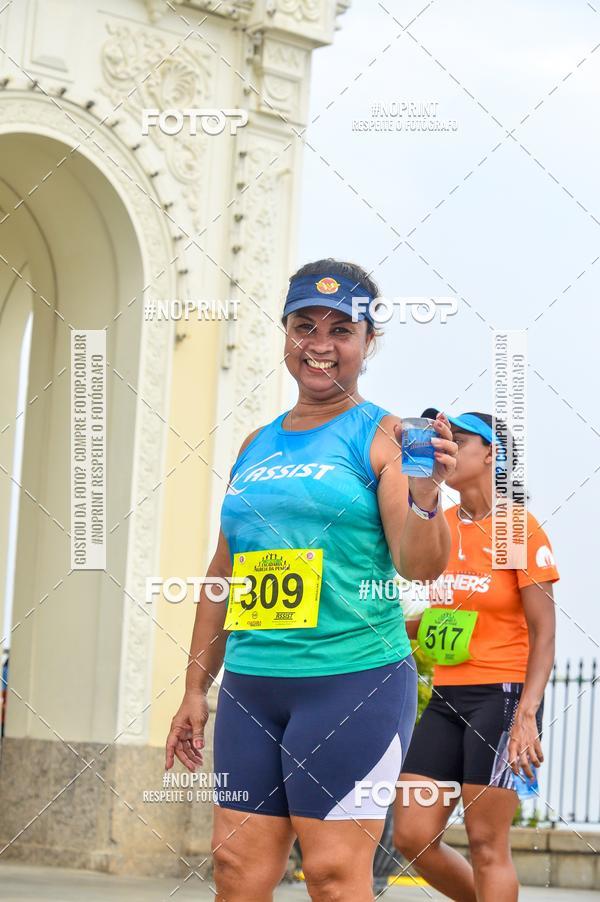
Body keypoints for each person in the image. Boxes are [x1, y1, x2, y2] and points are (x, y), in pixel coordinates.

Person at [165, 260, 458, 902]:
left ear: (367, 343)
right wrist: (194, 689)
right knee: (237, 874)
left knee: (331, 876)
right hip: (252, 687)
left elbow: (419, 565)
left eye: (340, 331)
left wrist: (428, 497)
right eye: (304, 327)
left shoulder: (383, 434)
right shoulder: (255, 445)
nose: (320, 345)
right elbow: (224, 575)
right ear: (287, 334)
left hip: (353, 683)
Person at [393, 409, 559, 902]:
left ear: (491, 453)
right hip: (447, 696)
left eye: (458, 440)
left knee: (488, 843)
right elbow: (444, 615)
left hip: (503, 697)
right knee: (413, 836)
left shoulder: (518, 529)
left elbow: (545, 632)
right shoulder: (439, 523)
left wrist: (527, 712)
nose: (446, 446)